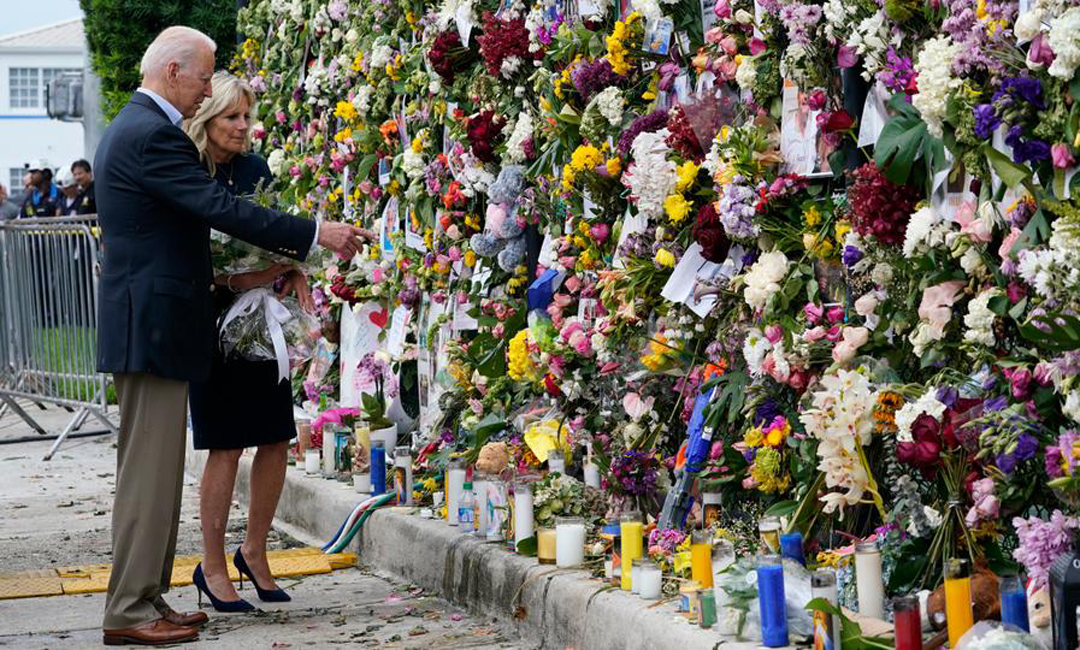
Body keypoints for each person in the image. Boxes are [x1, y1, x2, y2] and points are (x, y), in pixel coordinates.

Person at [95, 26, 367, 647]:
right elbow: (221, 209)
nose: (205, 89)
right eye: (203, 76)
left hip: (153, 325)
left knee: (158, 474)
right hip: (152, 327)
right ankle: (130, 609)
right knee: (148, 476)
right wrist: (315, 233)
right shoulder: (153, 133)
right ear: (172, 72)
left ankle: (146, 598)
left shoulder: (139, 127)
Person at [183, 71, 309, 613]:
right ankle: (211, 565)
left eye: (247, 116)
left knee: (276, 436)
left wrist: (290, 265)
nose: (242, 126)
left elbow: (272, 231)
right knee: (226, 444)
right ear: (206, 119)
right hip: (210, 322)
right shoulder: (189, 170)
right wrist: (237, 278)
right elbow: (189, 255)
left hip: (260, 320)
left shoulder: (256, 169)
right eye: (231, 116)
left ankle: (254, 551)